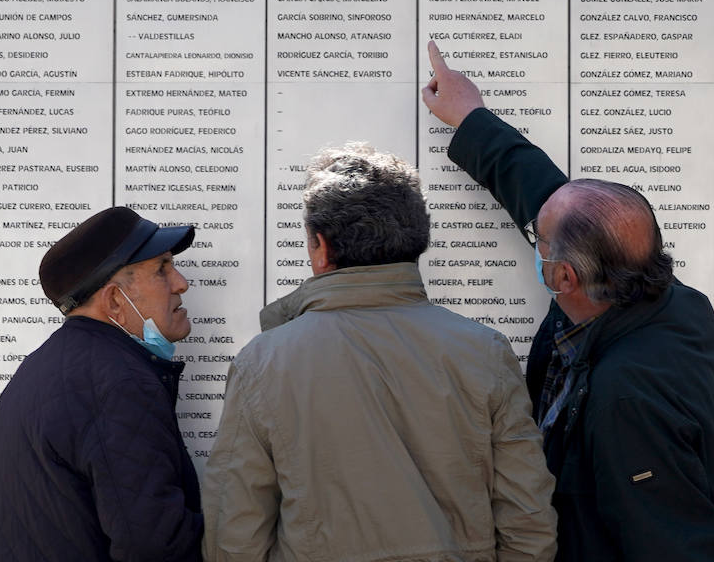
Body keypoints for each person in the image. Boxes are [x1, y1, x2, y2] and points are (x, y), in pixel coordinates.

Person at [422, 40, 714, 562]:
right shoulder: (666, 298)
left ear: (564, 277)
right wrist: (471, 118)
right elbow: (552, 198)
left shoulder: (626, 403)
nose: (534, 232)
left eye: (539, 239)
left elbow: (676, 544)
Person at [202, 143, 556, 562]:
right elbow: (528, 522)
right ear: (417, 241)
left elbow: (235, 533)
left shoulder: (263, 363)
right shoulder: (484, 351)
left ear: (320, 248)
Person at [0, 206, 203, 562]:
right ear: (115, 299)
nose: (181, 283)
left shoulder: (37, 368)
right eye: (162, 268)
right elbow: (153, 544)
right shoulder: (120, 384)